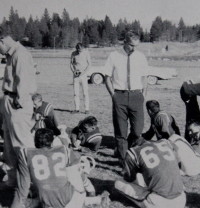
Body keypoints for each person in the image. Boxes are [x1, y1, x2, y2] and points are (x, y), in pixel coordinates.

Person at [11, 128, 110, 208]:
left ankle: (93, 200)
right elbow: (79, 173)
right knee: (71, 170)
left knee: (41, 193)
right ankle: (94, 200)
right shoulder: (64, 150)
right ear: (52, 141)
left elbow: (22, 189)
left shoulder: (25, 153)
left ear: (35, 141)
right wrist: (90, 188)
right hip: (71, 201)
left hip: (48, 202)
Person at [104, 30, 149, 165]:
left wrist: (143, 95)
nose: (134, 49)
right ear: (125, 42)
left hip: (136, 96)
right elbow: (107, 77)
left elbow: (144, 77)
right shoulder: (114, 56)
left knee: (137, 130)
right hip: (120, 96)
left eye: (136, 46)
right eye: (131, 45)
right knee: (121, 131)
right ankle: (124, 162)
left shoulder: (140, 57)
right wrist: (113, 95)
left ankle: (123, 149)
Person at [0, 29, 37, 187]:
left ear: (2, 41)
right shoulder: (10, 54)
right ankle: (14, 179)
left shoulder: (20, 54)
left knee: (22, 144)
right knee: (9, 144)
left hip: (17, 101)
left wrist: (20, 101)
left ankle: (33, 183)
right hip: (9, 99)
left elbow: (24, 79)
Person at [114, 137, 186, 208]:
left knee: (118, 183)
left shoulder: (132, 153)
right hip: (181, 199)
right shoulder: (164, 142)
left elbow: (129, 179)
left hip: (161, 203)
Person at [70, 42, 91, 114]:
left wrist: (84, 72)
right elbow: (71, 64)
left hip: (83, 76)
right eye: (78, 49)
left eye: (81, 49)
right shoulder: (73, 54)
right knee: (76, 93)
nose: (79, 51)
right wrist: (74, 71)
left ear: (83, 48)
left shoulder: (86, 53)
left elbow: (89, 64)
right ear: (76, 48)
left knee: (85, 92)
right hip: (76, 76)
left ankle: (87, 109)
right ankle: (77, 109)